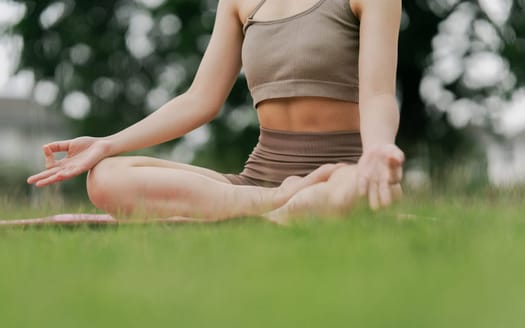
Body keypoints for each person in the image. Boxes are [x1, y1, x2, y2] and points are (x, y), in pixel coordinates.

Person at [27, 0, 405, 223]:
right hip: (257, 183)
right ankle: (274, 208)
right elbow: (199, 99)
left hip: (340, 173)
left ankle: (259, 214)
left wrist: (378, 150)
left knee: (355, 191)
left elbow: (377, 96)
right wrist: (107, 145)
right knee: (106, 177)